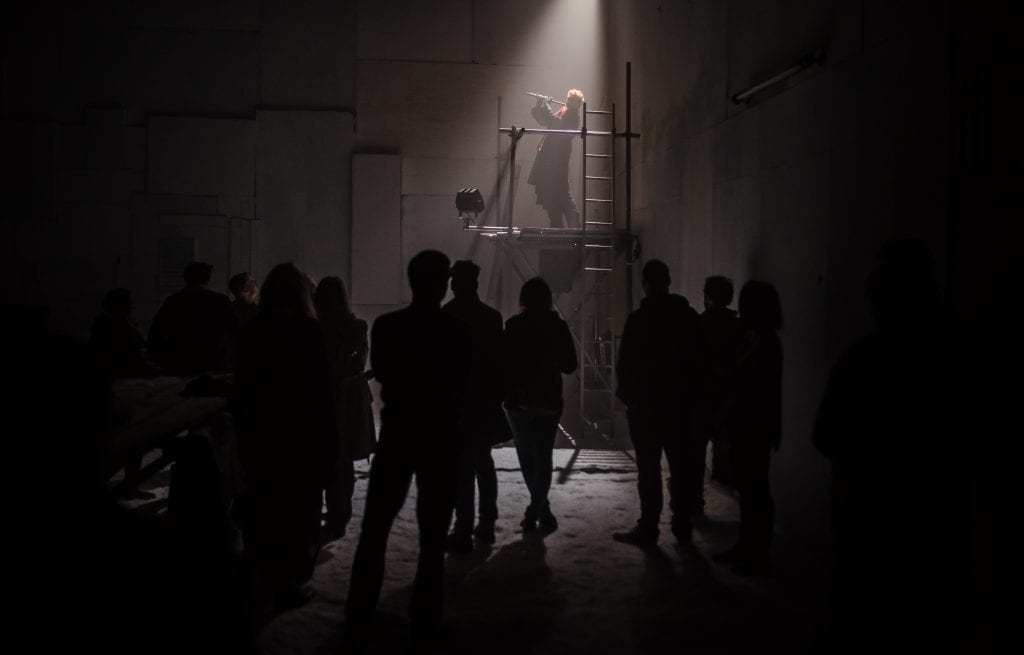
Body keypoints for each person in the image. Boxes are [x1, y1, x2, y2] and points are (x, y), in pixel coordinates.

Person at [813, 239, 972, 652]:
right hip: (943, 530)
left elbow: (825, 436)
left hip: (869, 526)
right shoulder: (966, 353)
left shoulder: (863, 361)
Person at [345, 250, 471, 650]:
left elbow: (382, 371)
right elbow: (463, 382)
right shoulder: (456, 331)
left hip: (399, 434)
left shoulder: (388, 326)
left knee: (375, 530)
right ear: (444, 283)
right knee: (433, 538)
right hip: (440, 438)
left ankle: (359, 613)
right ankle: (425, 621)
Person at [232, 263, 338, 615]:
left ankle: (259, 578)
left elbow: (244, 390)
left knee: (264, 509)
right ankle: (289, 582)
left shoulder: (252, 332)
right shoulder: (309, 332)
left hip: (262, 436)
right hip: (301, 439)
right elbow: (321, 395)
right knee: (300, 512)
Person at [613, 260, 705, 547]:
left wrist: (631, 400)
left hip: (647, 408)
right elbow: (699, 362)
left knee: (649, 470)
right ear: (669, 281)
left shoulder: (639, 320)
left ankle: (649, 526)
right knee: (681, 468)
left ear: (645, 283)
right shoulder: (688, 318)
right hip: (680, 407)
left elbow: (625, 364)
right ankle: (682, 524)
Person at [715, 280, 783, 576]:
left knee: (754, 490)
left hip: (752, 423)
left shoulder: (762, 342)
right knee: (750, 489)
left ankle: (757, 553)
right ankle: (749, 547)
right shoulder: (760, 339)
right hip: (752, 422)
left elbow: (752, 384)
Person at [503, 277, 578, 533]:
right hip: (548, 399)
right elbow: (570, 365)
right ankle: (538, 509)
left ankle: (539, 507)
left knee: (526, 457)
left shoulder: (513, 326)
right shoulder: (557, 327)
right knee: (543, 456)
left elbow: (505, 365)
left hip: (519, 401)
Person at [442, 260, 507, 553]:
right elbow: (498, 361)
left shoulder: (447, 316)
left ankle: (463, 528)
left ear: (455, 284)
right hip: (484, 400)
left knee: (462, 468)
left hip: (457, 403)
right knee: (484, 462)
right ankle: (488, 523)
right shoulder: (492, 318)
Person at [313, 276, 376, 541]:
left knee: (320, 458)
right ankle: (341, 514)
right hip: (350, 399)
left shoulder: (313, 328)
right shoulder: (356, 326)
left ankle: (322, 513)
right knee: (344, 457)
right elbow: (359, 363)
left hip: (319, 398)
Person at [148, 261, 236, 376]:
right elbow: (235, 330)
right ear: (208, 279)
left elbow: (156, 334)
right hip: (214, 363)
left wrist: (162, 360)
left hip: (179, 362)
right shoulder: (220, 300)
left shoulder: (174, 301)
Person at [699, 276, 744, 492]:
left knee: (695, 454)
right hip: (731, 400)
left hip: (703, 398)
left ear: (708, 297)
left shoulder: (699, 326)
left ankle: (694, 500)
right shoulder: (739, 328)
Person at [527, 89, 584, 228]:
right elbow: (545, 121)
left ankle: (574, 223)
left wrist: (547, 105)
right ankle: (556, 225)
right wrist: (540, 104)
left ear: (578, 103)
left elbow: (556, 123)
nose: (568, 100)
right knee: (549, 192)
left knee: (561, 189)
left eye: (571, 99)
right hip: (549, 158)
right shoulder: (564, 111)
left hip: (558, 159)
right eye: (568, 98)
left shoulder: (573, 115)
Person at [89, 288, 158, 379]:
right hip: (123, 372)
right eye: (130, 302)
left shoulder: (116, 322)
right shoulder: (115, 325)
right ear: (121, 305)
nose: (133, 306)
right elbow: (130, 355)